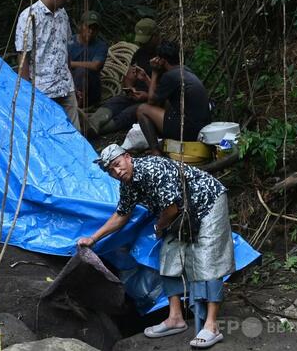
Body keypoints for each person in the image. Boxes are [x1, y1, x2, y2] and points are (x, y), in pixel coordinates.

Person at [78, 144, 234, 348]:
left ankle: (211, 326)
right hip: (180, 213)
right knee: (168, 256)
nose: (117, 172)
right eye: (111, 171)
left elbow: (170, 209)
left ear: (128, 157)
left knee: (208, 259)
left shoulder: (152, 170)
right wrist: (94, 238)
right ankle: (175, 317)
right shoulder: (128, 182)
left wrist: (159, 227)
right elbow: (122, 214)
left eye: (117, 164)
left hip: (207, 202)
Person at [15, 0, 80, 130]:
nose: (68, 0)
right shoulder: (29, 16)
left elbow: (66, 47)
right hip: (41, 89)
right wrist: (26, 90)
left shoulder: (62, 14)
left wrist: (72, 79)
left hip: (65, 85)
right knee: (47, 132)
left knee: (75, 132)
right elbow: (23, 56)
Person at [86, 18, 160, 137]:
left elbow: (164, 93)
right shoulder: (140, 53)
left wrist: (146, 95)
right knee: (114, 102)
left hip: (152, 100)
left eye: (146, 41)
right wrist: (130, 88)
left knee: (129, 113)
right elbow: (129, 77)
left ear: (156, 36)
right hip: (136, 95)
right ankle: (92, 124)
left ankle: (97, 131)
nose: (142, 44)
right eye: (141, 42)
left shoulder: (164, 55)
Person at [135, 40, 211, 155]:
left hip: (188, 130)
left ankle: (155, 152)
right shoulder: (184, 70)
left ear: (162, 61)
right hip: (201, 128)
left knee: (142, 109)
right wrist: (146, 78)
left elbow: (151, 100)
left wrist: (154, 72)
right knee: (166, 104)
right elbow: (158, 95)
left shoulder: (170, 76)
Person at [68, 10, 108, 108]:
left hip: (91, 91)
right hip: (69, 87)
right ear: (80, 26)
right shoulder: (69, 42)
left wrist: (71, 63)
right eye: (88, 27)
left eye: (94, 29)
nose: (90, 31)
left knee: (82, 72)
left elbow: (96, 65)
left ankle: (77, 109)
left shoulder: (101, 46)